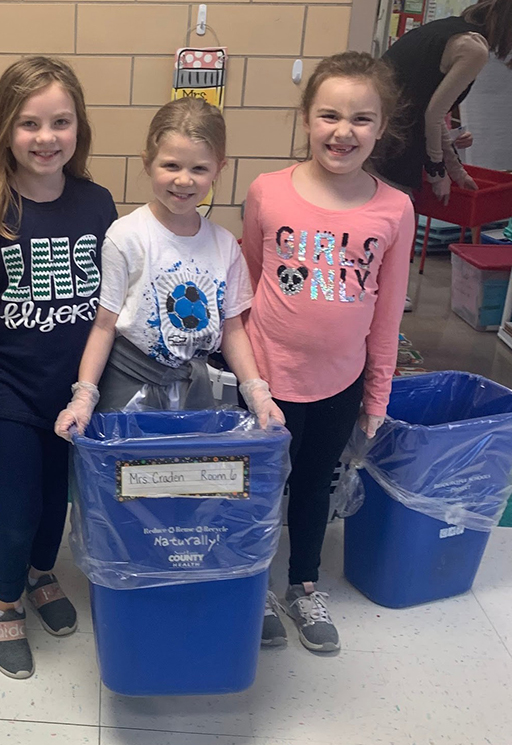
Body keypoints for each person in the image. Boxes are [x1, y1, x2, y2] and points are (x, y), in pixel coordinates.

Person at [0, 57, 117, 680]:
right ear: (4, 132)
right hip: (11, 395)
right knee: (16, 511)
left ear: (79, 127)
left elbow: (109, 305)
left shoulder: (99, 204)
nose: (46, 138)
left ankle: (43, 576)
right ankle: (7, 600)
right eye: (29, 124)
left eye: (60, 122)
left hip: (76, 395)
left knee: (56, 506)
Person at [242, 52, 416, 653]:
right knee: (260, 485)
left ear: (383, 127)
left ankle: (302, 583)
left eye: (362, 119)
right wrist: (243, 372)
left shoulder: (395, 208)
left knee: (316, 483)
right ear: (306, 118)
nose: (344, 132)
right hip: (264, 379)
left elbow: (388, 313)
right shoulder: (268, 192)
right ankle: (255, 583)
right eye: (330, 116)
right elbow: (250, 282)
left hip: (339, 381)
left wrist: (377, 394)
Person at [54, 97, 283, 442]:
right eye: (171, 165)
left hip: (194, 390)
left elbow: (233, 329)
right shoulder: (127, 237)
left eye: (199, 169)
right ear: (148, 163)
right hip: (128, 388)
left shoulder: (224, 247)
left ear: (220, 169)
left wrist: (256, 392)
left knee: (182, 485)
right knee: (126, 488)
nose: (184, 180)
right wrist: (84, 395)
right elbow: (104, 325)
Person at [375, 0, 512, 203]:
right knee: (396, 221)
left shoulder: (445, 29)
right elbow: (433, 115)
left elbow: (431, 113)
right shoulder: (474, 48)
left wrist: (456, 171)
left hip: (375, 141)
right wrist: (437, 173)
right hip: (393, 150)